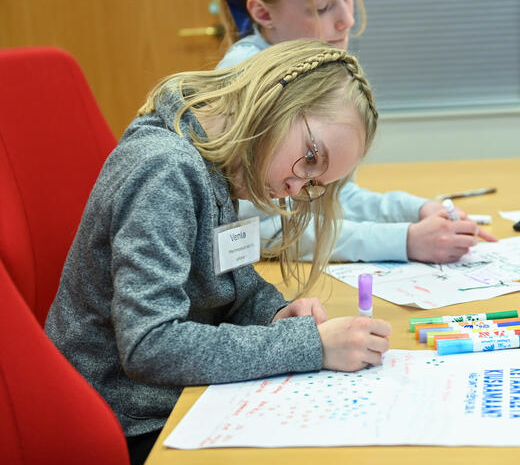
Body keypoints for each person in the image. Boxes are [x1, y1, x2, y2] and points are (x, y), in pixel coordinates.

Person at [45, 40, 391, 465]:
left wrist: (273, 313)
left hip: (171, 401)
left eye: (315, 184)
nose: (297, 187)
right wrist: (308, 346)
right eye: (311, 157)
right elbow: (150, 344)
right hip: (124, 420)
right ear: (277, 98)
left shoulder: (221, 166)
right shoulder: (167, 171)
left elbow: (230, 282)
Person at [216, 0, 497, 264]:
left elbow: (331, 194)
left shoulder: (313, 69)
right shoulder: (248, 81)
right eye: (322, 7)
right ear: (263, 13)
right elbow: (255, 231)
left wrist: (415, 211)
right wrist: (404, 241)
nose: (347, 19)